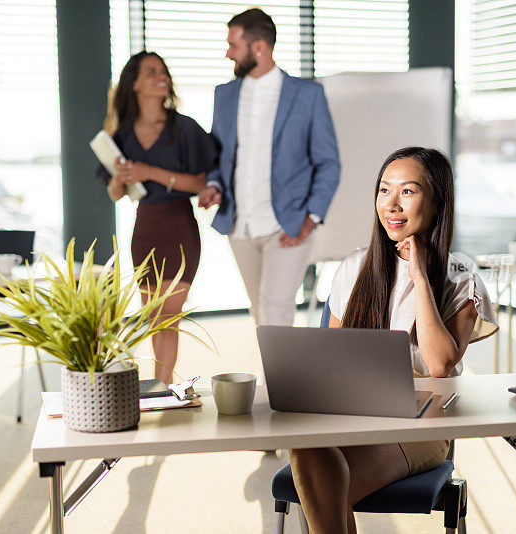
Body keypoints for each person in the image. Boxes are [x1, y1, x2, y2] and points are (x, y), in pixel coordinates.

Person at [287, 147, 497, 534]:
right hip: (356, 413)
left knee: (324, 493)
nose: (392, 204)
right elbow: (331, 359)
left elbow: (439, 365)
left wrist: (419, 277)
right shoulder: (354, 267)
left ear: (436, 203)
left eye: (408, 191)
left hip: (424, 423)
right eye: (384, 190)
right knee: (305, 445)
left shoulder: (461, 277)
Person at [197, 8, 340, 327]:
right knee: (260, 312)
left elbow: (328, 162)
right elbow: (218, 157)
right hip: (240, 226)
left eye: (234, 45)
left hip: (287, 225)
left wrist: (312, 217)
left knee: (275, 311)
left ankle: (284, 379)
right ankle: (283, 376)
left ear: (259, 47)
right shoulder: (224, 95)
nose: (228, 53)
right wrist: (214, 185)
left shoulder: (308, 95)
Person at [96, 51, 218, 384]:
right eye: (152, 71)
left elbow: (199, 182)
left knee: (169, 317)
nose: (161, 76)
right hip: (145, 229)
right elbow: (115, 193)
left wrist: (150, 171)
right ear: (134, 83)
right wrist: (120, 178)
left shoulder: (185, 128)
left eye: (163, 71)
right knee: (152, 318)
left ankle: (162, 387)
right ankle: (158, 385)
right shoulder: (120, 135)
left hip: (179, 226)